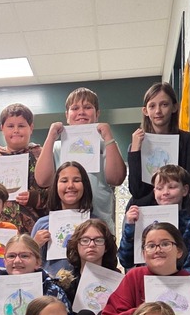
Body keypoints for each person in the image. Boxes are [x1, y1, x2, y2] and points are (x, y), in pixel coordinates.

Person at [34, 87, 126, 230]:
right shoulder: (57, 147)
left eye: (87, 107)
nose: (81, 112)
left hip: (100, 225)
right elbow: (42, 180)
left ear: (97, 114)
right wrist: (50, 137)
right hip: (64, 226)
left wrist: (108, 137)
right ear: (67, 115)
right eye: (75, 108)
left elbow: (116, 179)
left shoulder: (107, 145)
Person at [0, 103, 48, 234]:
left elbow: (58, 192)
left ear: (31, 128)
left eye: (21, 126)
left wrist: (35, 198)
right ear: (2, 128)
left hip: (38, 233)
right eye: (10, 126)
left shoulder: (42, 157)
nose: (16, 130)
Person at [60, 218, 121, 315]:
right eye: (85, 240)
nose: (92, 245)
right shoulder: (66, 281)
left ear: (106, 246)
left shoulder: (118, 279)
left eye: (98, 240)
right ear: (76, 245)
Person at [119, 165, 190, 276]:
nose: (165, 192)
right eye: (159, 188)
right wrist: (130, 227)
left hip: (178, 285)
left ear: (185, 190)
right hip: (146, 282)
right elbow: (125, 260)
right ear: (154, 191)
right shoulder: (141, 221)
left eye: (172, 187)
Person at [127, 82, 190, 202]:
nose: (158, 111)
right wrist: (135, 151)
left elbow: (189, 184)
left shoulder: (186, 140)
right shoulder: (136, 143)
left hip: (177, 210)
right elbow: (136, 191)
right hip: (145, 211)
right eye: (152, 106)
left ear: (174, 107)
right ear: (145, 111)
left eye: (164, 104)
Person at [31, 161, 93, 274]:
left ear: (85, 185)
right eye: (64, 181)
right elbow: (29, 262)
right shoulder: (42, 224)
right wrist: (35, 244)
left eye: (77, 180)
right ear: (55, 186)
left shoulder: (95, 223)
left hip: (85, 284)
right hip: (51, 287)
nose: (70, 186)